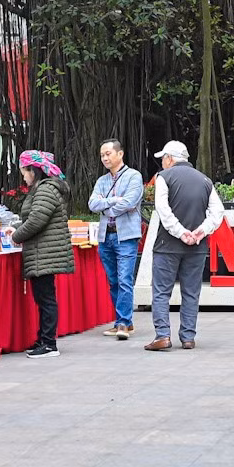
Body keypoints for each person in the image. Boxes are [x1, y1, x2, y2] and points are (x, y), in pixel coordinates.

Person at [148, 139, 224, 351]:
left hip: (167, 246)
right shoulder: (205, 180)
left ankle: (163, 335)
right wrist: (201, 231)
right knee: (191, 292)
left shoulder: (164, 177)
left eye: (163, 158)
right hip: (197, 247)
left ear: (170, 159)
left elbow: (163, 210)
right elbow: (217, 212)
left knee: (162, 291)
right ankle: (188, 337)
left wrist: (181, 233)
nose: (162, 163)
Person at [10, 150, 75, 359]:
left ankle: (49, 343)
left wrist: (16, 236)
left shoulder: (45, 190)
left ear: (34, 170)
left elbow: (37, 219)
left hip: (45, 253)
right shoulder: (43, 188)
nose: (24, 177)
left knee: (46, 298)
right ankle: (43, 338)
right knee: (43, 297)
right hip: (43, 252)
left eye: (24, 172)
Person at [89, 139, 144, 340]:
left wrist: (106, 207)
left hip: (126, 237)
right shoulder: (101, 181)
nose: (104, 158)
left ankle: (122, 322)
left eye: (108, 154)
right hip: (106, 236)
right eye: (102, 155)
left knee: (124, 279)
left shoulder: (133, 177)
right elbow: (92, 204)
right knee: (113, 280)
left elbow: (130, 202)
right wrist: (112, 201)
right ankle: (124, 322)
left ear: (120, 154)